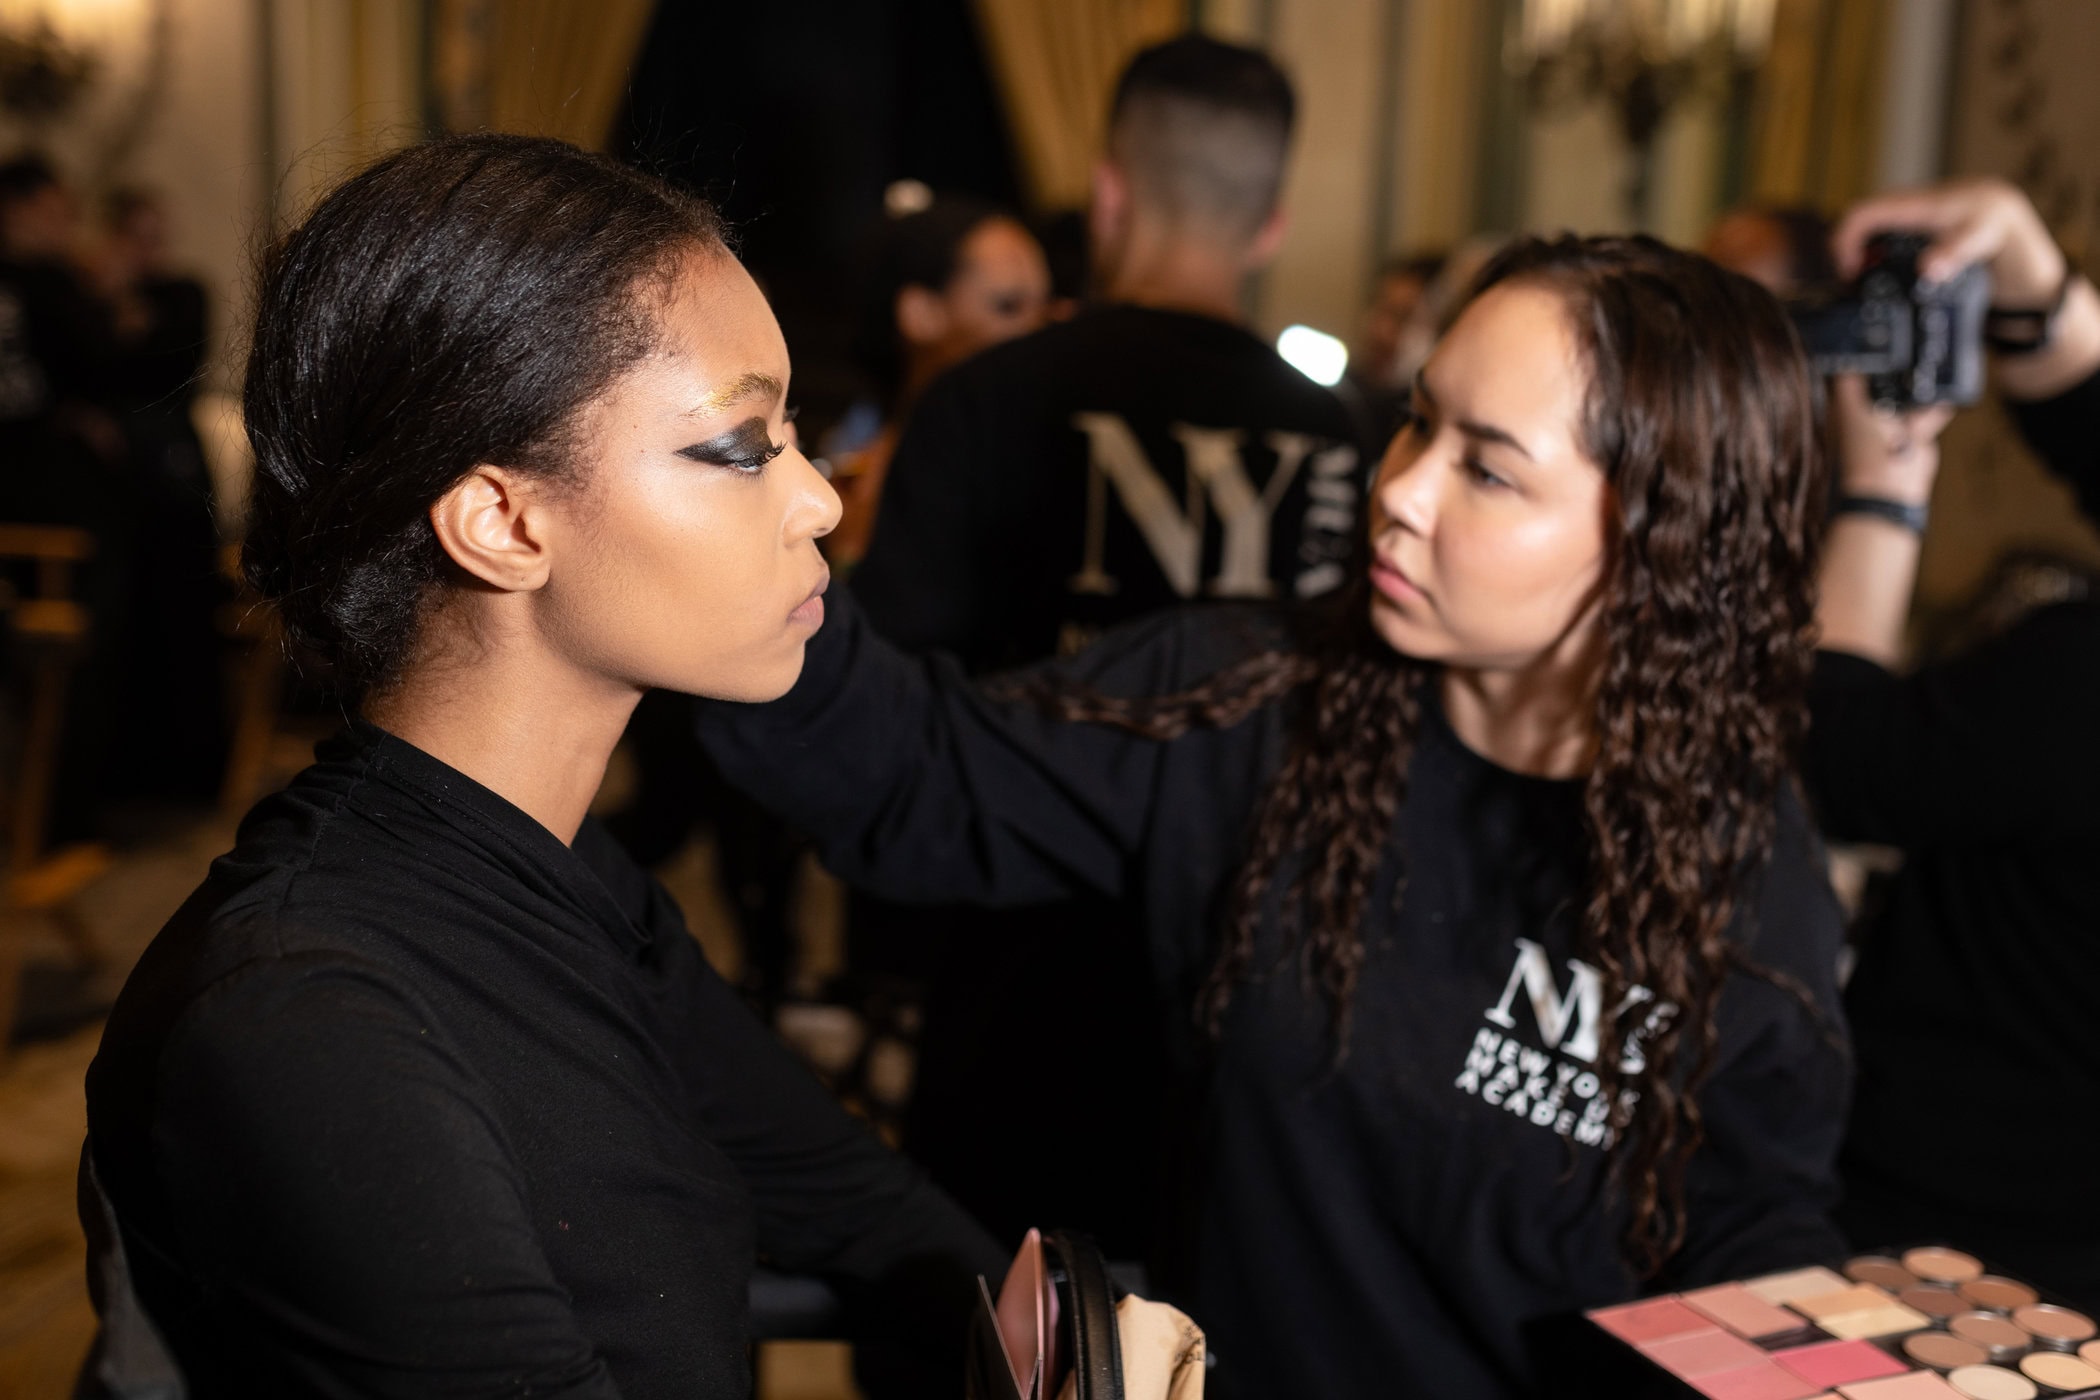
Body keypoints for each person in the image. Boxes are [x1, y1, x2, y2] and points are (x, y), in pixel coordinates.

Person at [701, 233, 1851, 1398]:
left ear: (1659, 544)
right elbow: (910, 769)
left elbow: (1755, 1228)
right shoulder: (1250, 699)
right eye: (1417, 421)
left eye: (1489, 470)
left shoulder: (1739, 858)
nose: (1399, 489)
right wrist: (734, 507)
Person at [80, 135, 1001, 1397]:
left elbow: (865, 1207)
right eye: (742, 447)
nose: (819, 500)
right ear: (503, 520)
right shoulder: (306, 1020)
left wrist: (1069, 1340)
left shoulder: (570, 870)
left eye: (796, 433)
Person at [840, 31, 1378, 1268]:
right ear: (1273, 220)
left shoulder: (985, 399)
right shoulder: (1342, 436)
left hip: (1014, 970)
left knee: (1005, 1325)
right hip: (1262, 981)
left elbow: (901, 702)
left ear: (1111, 193)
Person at [1805, 176, 2100, 1310]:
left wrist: (1882, 490)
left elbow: (1830, 752)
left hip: (1929, 1249)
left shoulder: (2075, 676)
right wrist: (2032, 273)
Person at [827, 193, 1049, 567]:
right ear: (921, 314)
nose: (1041, 330)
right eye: (1009, 307)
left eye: (1048, 305)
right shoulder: (861, 478)